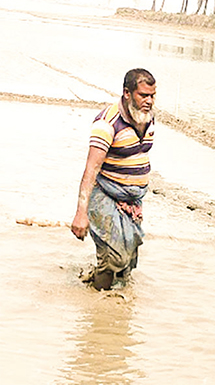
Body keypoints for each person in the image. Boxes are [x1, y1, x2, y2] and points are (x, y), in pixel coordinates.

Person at [71, 68, 157, 290]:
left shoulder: (147, 118)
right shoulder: (107, 123)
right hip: (106, 195)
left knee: (128, 259)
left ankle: (117, 302)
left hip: (132, 200)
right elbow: (91, 169)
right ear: (127, 93)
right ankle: (99, 302)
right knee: (113, 257)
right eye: (143, 95)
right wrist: (81, 214)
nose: (149, 101)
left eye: (152, 95)